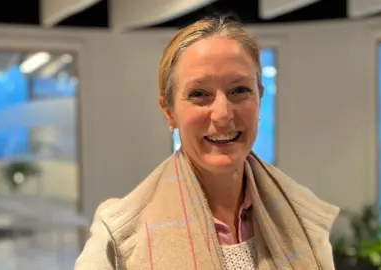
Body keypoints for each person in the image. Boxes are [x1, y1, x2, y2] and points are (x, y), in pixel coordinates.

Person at [75, 16, 339, 270]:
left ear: (259, 98)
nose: (223, 114)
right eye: (199, 94)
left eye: (239, 90)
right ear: (169, 112)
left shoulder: (304, 217)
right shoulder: (120, 236)